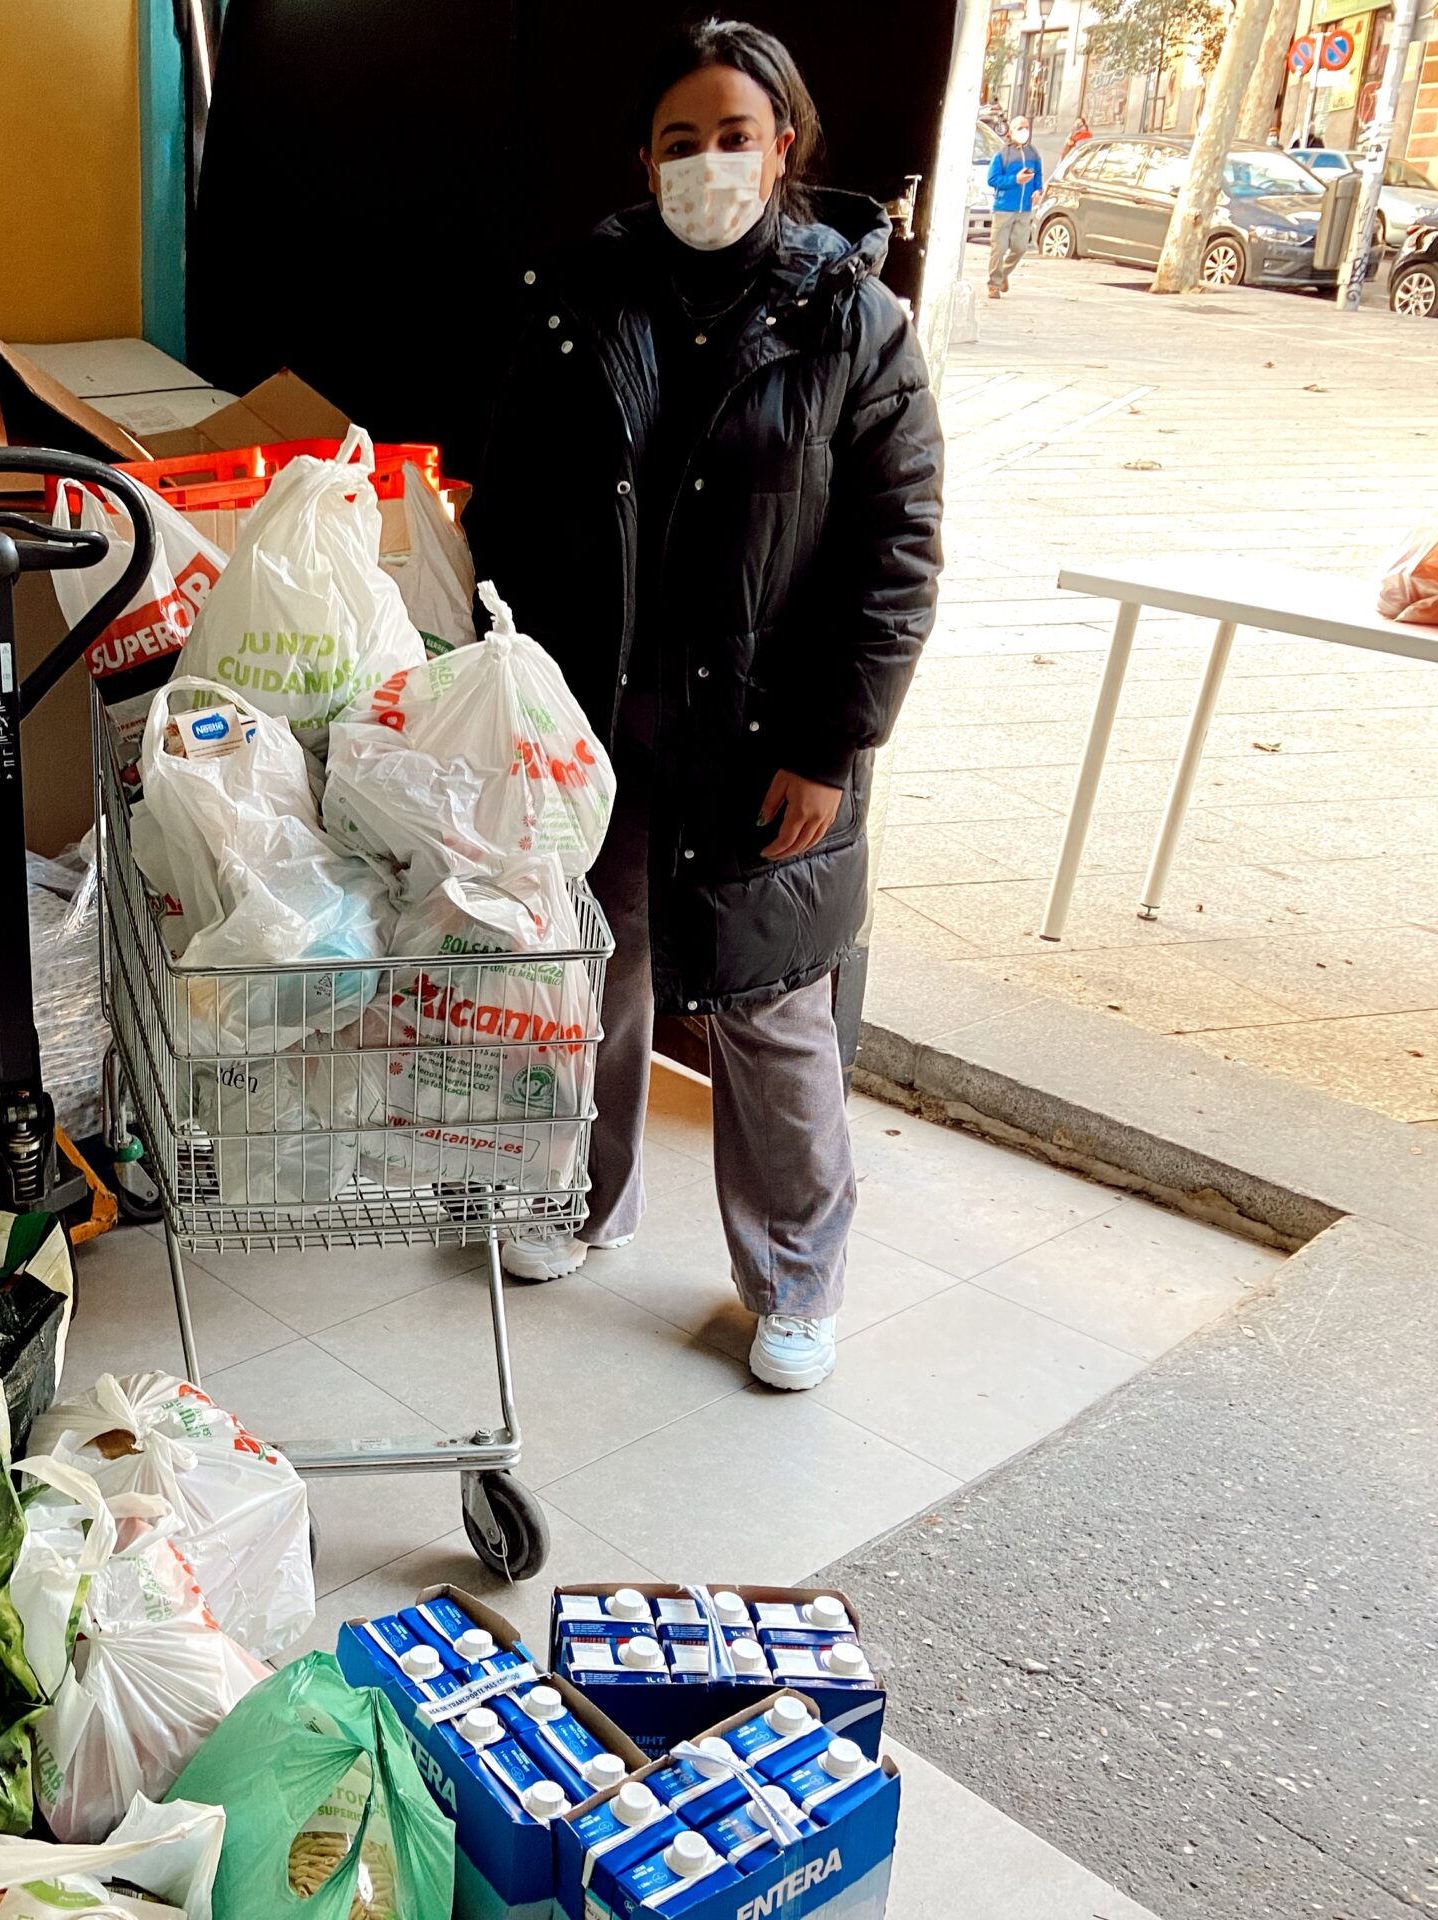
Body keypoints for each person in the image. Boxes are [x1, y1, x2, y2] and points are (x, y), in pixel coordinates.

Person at [466, 19, 943, 1390]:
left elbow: (895, 551)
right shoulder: (579, 300)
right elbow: (508, 507)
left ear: (784, 147)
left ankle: (796, 1281)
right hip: (597, 731)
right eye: (682, 141)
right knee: (586, 982)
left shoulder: (855, 320)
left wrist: (832, 744)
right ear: (645, 158)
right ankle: (584, 1199)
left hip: (761, 734)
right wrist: (508, 697)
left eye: (735, 135)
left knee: (774, 1013)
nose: (708, 162)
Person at [986, 114, 1043, 296]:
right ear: (1011, 131)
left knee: (1020, 247)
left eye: (1026, 127)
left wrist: (1038, 191)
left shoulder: (1033, 154)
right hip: (1004, 208)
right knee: (999, 248)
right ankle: (994, 285)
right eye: (1020, 128)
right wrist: (1015, 180)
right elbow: (993, 179)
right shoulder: (1002, 155)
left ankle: (1003, 274)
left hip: (1024, 209)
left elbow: (1038, 177)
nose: (1024, 131)